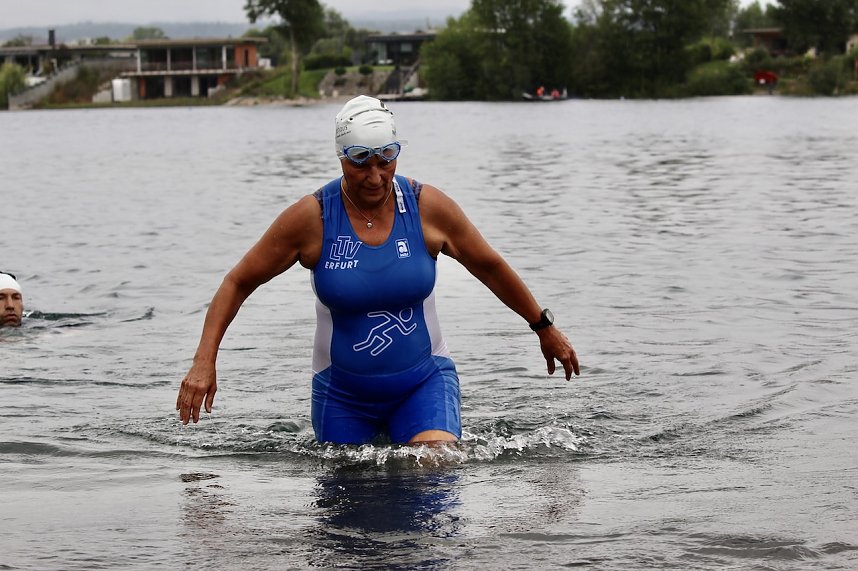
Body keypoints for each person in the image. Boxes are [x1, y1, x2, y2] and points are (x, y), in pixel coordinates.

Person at [176, 95, 580, 445]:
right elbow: (238, 281)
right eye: (360, 162)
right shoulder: (311, 218)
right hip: (343, 396)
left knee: (433, 470)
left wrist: (543, 327)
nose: (375, 176)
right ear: (340, 157)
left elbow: (489, 266)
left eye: (386, 159)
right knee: (349, 521)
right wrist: (204, 361)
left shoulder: (427, 207)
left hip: (424, 382)